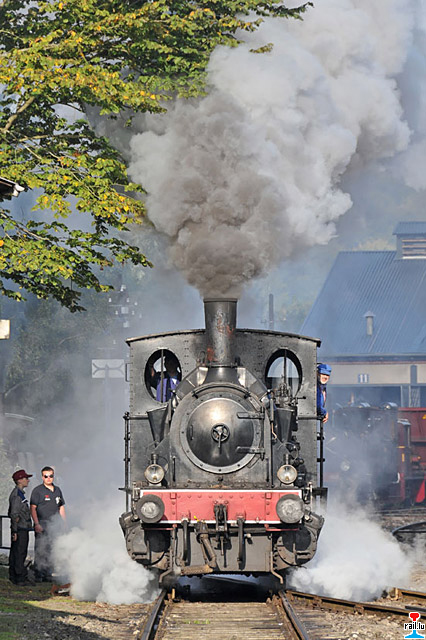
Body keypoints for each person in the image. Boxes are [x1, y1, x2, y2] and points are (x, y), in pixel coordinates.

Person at [30, 466, 66, 582]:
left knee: (51, 549)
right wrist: (36, 523)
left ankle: (48, 573)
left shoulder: (57, 490)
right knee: (41, 549)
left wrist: (64, 523)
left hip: (54, 525)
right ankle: (38, 574)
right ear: (42, 477)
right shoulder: (37, 491)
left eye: (51, 476)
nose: (48, 478)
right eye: (46, 476)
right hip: (42, 524)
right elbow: (33, 508)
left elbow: (61, 507)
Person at [8, 469, 34, 586]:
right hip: (20, 529)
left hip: (21, 528)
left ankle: (15, 576)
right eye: (25, 478)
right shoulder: (17, 495)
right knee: (20, 552)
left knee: (17, 552)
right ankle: (19, 578)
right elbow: (14, 514)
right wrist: (15, 531)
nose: (28, 480)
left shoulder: (19, 493)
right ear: (19, 480)